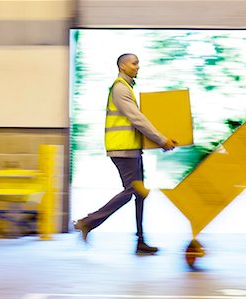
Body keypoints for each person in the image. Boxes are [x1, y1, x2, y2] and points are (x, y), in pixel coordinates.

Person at [74, 53, 177, 254]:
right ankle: (88, 222)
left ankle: (140, 241)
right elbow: (136, 119)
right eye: (134, 63)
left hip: (132, 149)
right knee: (132, 191)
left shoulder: (127, 88)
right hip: (123, 149)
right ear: (122, 65)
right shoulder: (120, 88)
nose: (138, 67)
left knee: (140, 194)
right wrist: (161, 139)